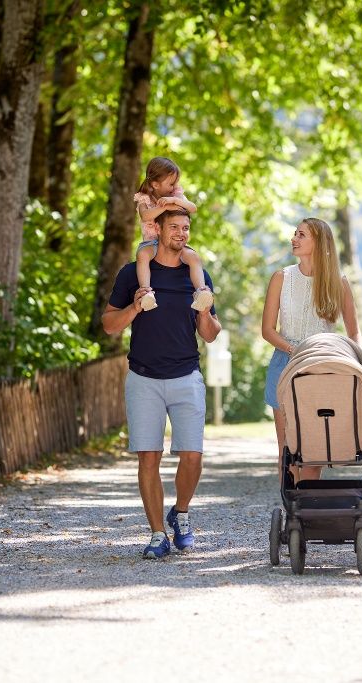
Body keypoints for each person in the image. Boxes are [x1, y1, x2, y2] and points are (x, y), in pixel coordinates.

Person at [102, 208, 222, 559]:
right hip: (144, 379)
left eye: (186, 228)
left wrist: (204, 310)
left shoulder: (197, 274)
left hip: (186, 375)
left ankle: (180, 514)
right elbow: (109, 324)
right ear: (159, 230)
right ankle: (157, 534)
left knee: (193, 456)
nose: (181, 234)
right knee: (148, 457)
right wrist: (135, 309)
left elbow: (211, 335)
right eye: (175, 227)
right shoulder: (133, 273)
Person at [261, 217, 362, 482]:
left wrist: (356, 361)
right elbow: (268, 330)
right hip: (285, 364)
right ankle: (293, 511)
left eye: (301, 235)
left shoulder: (338, 283)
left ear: (319, 242)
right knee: (287, 448)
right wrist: (294, 349)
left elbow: (354, 332)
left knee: (314, 449)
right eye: (295, 234)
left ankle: (308, 509)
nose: (294, 238)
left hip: (321, 368)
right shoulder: (281, 278)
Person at [133, 156, 214, 314]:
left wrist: (175, 201)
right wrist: (163, 207)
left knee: (193, 257)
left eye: (175, 182)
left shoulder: (176, 194)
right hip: (152, 243)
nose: (174, 186)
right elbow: (145, 216)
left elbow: (192, 208)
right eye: (171, 183)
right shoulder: (143, 197)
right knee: (142, 255)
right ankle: (146, 293)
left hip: (173, 243)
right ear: (155, 184)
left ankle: (201, 292)